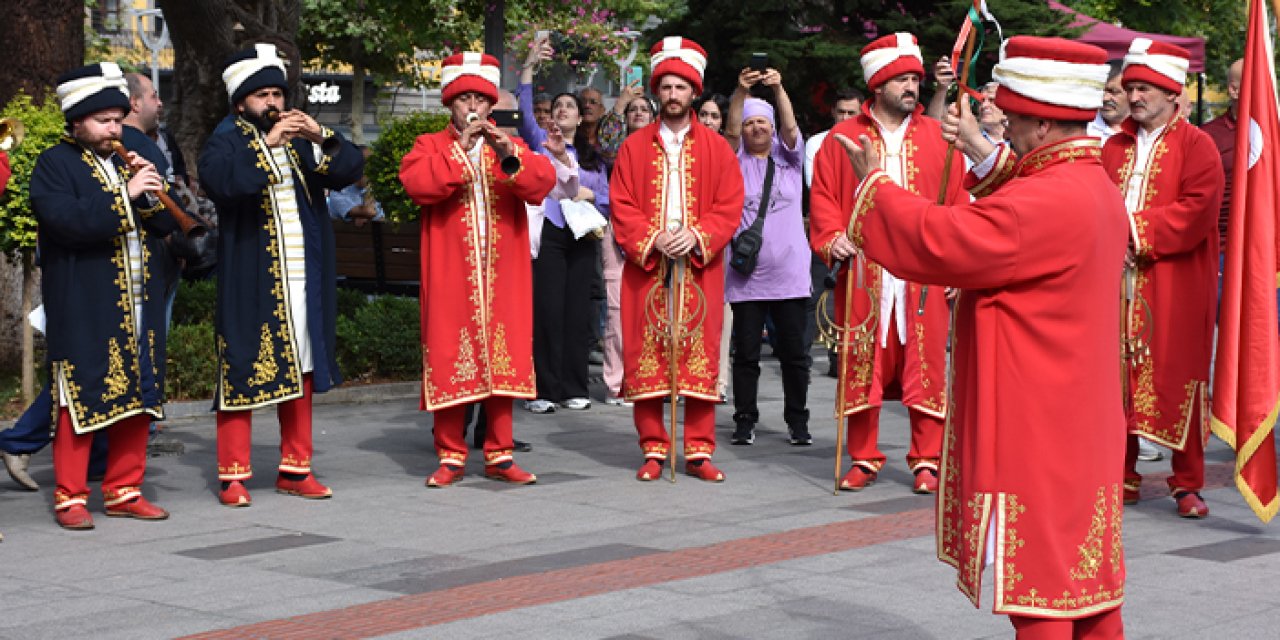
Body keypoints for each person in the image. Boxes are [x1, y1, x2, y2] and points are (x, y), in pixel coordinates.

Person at [828, 35, 1127, 637]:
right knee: (1088, 588)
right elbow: (1020, 196)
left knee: (1038, 593)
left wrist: (876, 188)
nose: (1005, 128)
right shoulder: (1090, 184)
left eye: (1012, 119)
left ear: (1042, 121)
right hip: (1081, 422)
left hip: (1036, 429)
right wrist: (981, 150)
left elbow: (944, 240)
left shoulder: (1041, 202)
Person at [198, 43, 364, 507]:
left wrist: (320, 135)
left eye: (277, 94)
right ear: (240, 103)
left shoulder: (300, 138)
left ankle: (296, 467)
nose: (273, 104)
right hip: (251, 277)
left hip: (303, 279)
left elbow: (348, 170)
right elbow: (223, 185)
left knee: (304, 368)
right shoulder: (226, 138)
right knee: (242, 366)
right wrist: (268, 146)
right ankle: (232, 475)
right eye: (262, 96)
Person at [810, 32, 963, 494]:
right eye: (901, 79)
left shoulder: (938, 138)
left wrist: (958, 265)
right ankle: (864, 456)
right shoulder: (842, 138)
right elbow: (823, 199)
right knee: (863, 361)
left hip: (922, 270)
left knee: (927, 361)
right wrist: (832, 238)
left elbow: (956, 204)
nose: (911, 87)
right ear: (877, 84)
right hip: (864, 268)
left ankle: (927, 459)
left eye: (915, 78)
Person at [30, 62, 176, 529]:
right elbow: (67, 222)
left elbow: (166, 227)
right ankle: (70, 496)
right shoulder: (54, 163)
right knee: (79, 399)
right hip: (83, 301)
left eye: (118, 119)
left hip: (138, 300)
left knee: (138, 397)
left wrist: (153, 197)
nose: (116, 128)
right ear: (77, 122)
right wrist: (125, 196)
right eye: (104, 121)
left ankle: (124, 489)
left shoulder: (125, 160)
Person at [399, 52, 556, 487]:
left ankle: (500, 454)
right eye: (463, 98)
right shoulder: (429, 145)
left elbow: (541, 184)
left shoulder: (509, 143)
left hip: (504, 276)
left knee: (504, 359)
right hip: (452, 275)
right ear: (450, 105)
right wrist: (461, 150)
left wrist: (511, 153)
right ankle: (450, 455)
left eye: (480, 100)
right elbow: (418, 185)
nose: (472, 107)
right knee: (452, 355)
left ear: (491, 106)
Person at [610, 37, 743, 482]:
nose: (672, 95)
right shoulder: (632, 147)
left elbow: (730, 202)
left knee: (700, 354)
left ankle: (699, 450)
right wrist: (652, 239)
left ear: (694, 93)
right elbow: (622, 203)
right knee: (646, 355)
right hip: (648, 266)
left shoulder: (718, 148)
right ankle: (652, 447)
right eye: (665, 87)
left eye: (680, 88)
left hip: (699, 266)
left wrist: (697, 235)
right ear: (656, 91)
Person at [1104, 39, 1223, 519]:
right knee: (1116, 378)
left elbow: (1197, 211)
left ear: (1173, 93)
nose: (1135, 97)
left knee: (1180, 375)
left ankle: (1188, 481)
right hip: (1114, 282)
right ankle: (1122, 473)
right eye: (1131, 87)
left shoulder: (1199, 146)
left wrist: (1133, 229)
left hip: (1175, 283)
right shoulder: (1112, 145)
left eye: (1145, 88)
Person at [518, 36, 610, 414]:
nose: (564, 111)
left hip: (584, 235)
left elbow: (604, 196)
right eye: (558, 107)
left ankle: (574, 386)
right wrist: (528, 66)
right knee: (547, 311)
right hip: (551, 233)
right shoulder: (541, 143)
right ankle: (543, 389)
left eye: (570, 106)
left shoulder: (593, 155)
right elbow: (524, 110)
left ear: (580, 116)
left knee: (578, 313)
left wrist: (586, 193)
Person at [722, 67, 811, 446]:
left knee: (794, 356)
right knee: (746, 356)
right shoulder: (734, 160)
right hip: (747, 278)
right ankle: (744, 420)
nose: (756, 128)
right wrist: (741, 92)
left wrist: (779, 88)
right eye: (750, 123)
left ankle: (797, 421)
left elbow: (791, 130)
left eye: (763, 122)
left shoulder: (789, 159)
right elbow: (726, 134)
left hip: (790, 275)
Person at [598, 85, 656, 406]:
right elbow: (606, 144)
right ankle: (616, 383)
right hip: (619, 230)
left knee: (653, 309)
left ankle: (646, 378)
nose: (638, 113)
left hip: (657, 232)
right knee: (618, 310)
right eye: (633, 110)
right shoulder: (618, 149)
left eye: (644, 109)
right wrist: (620, 103)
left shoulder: (665, 148)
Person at [804, 87, 862, 379]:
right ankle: (822, 353)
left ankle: (845, 354)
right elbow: (817, 186)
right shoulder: (819, 143)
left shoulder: (867, 142)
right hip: (829, 228)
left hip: (862, 232)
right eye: (841, 112)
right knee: (822, 296)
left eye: (852, 113)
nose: (845, 117)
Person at [327, 146, 385, 226]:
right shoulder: (338, 193)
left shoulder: (375, 189)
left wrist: (363, 216)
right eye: (366, 164)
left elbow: (381, 219)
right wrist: (365, 213)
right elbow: (370, 212)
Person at [1088, 62, 1129, 142]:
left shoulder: (1146, 130)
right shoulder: (1085, 129)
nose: (1105, 98)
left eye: (1113, 92)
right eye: (1100, 91)